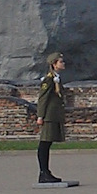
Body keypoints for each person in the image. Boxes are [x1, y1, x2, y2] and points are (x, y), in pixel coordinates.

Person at [36, 53, 68, 183]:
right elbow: (43, 98)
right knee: (44, 143)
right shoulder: (49, 79)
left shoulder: (57, 78)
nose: (63, 63)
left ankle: (46, 172)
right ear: (54, 64)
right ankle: (44, 173)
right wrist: (40, 116)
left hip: (54, 115)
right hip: (48, 116)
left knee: (47, 144)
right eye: (61, 61)